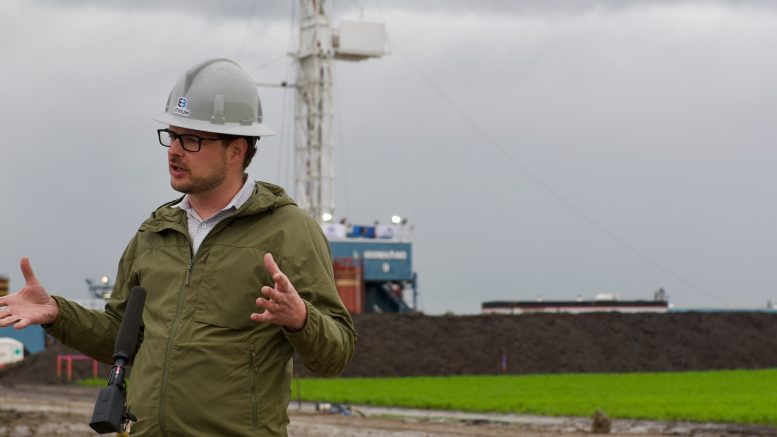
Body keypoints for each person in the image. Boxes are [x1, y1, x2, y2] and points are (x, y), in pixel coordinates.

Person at [0, 59, 356, 436]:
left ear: (236, 149)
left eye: (191, 140)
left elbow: (337, 354)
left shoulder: (289, 231)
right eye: (171, 136)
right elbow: (119, 338)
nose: (174, 151)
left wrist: (301, 318)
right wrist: (57, 313)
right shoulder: (155, 232)